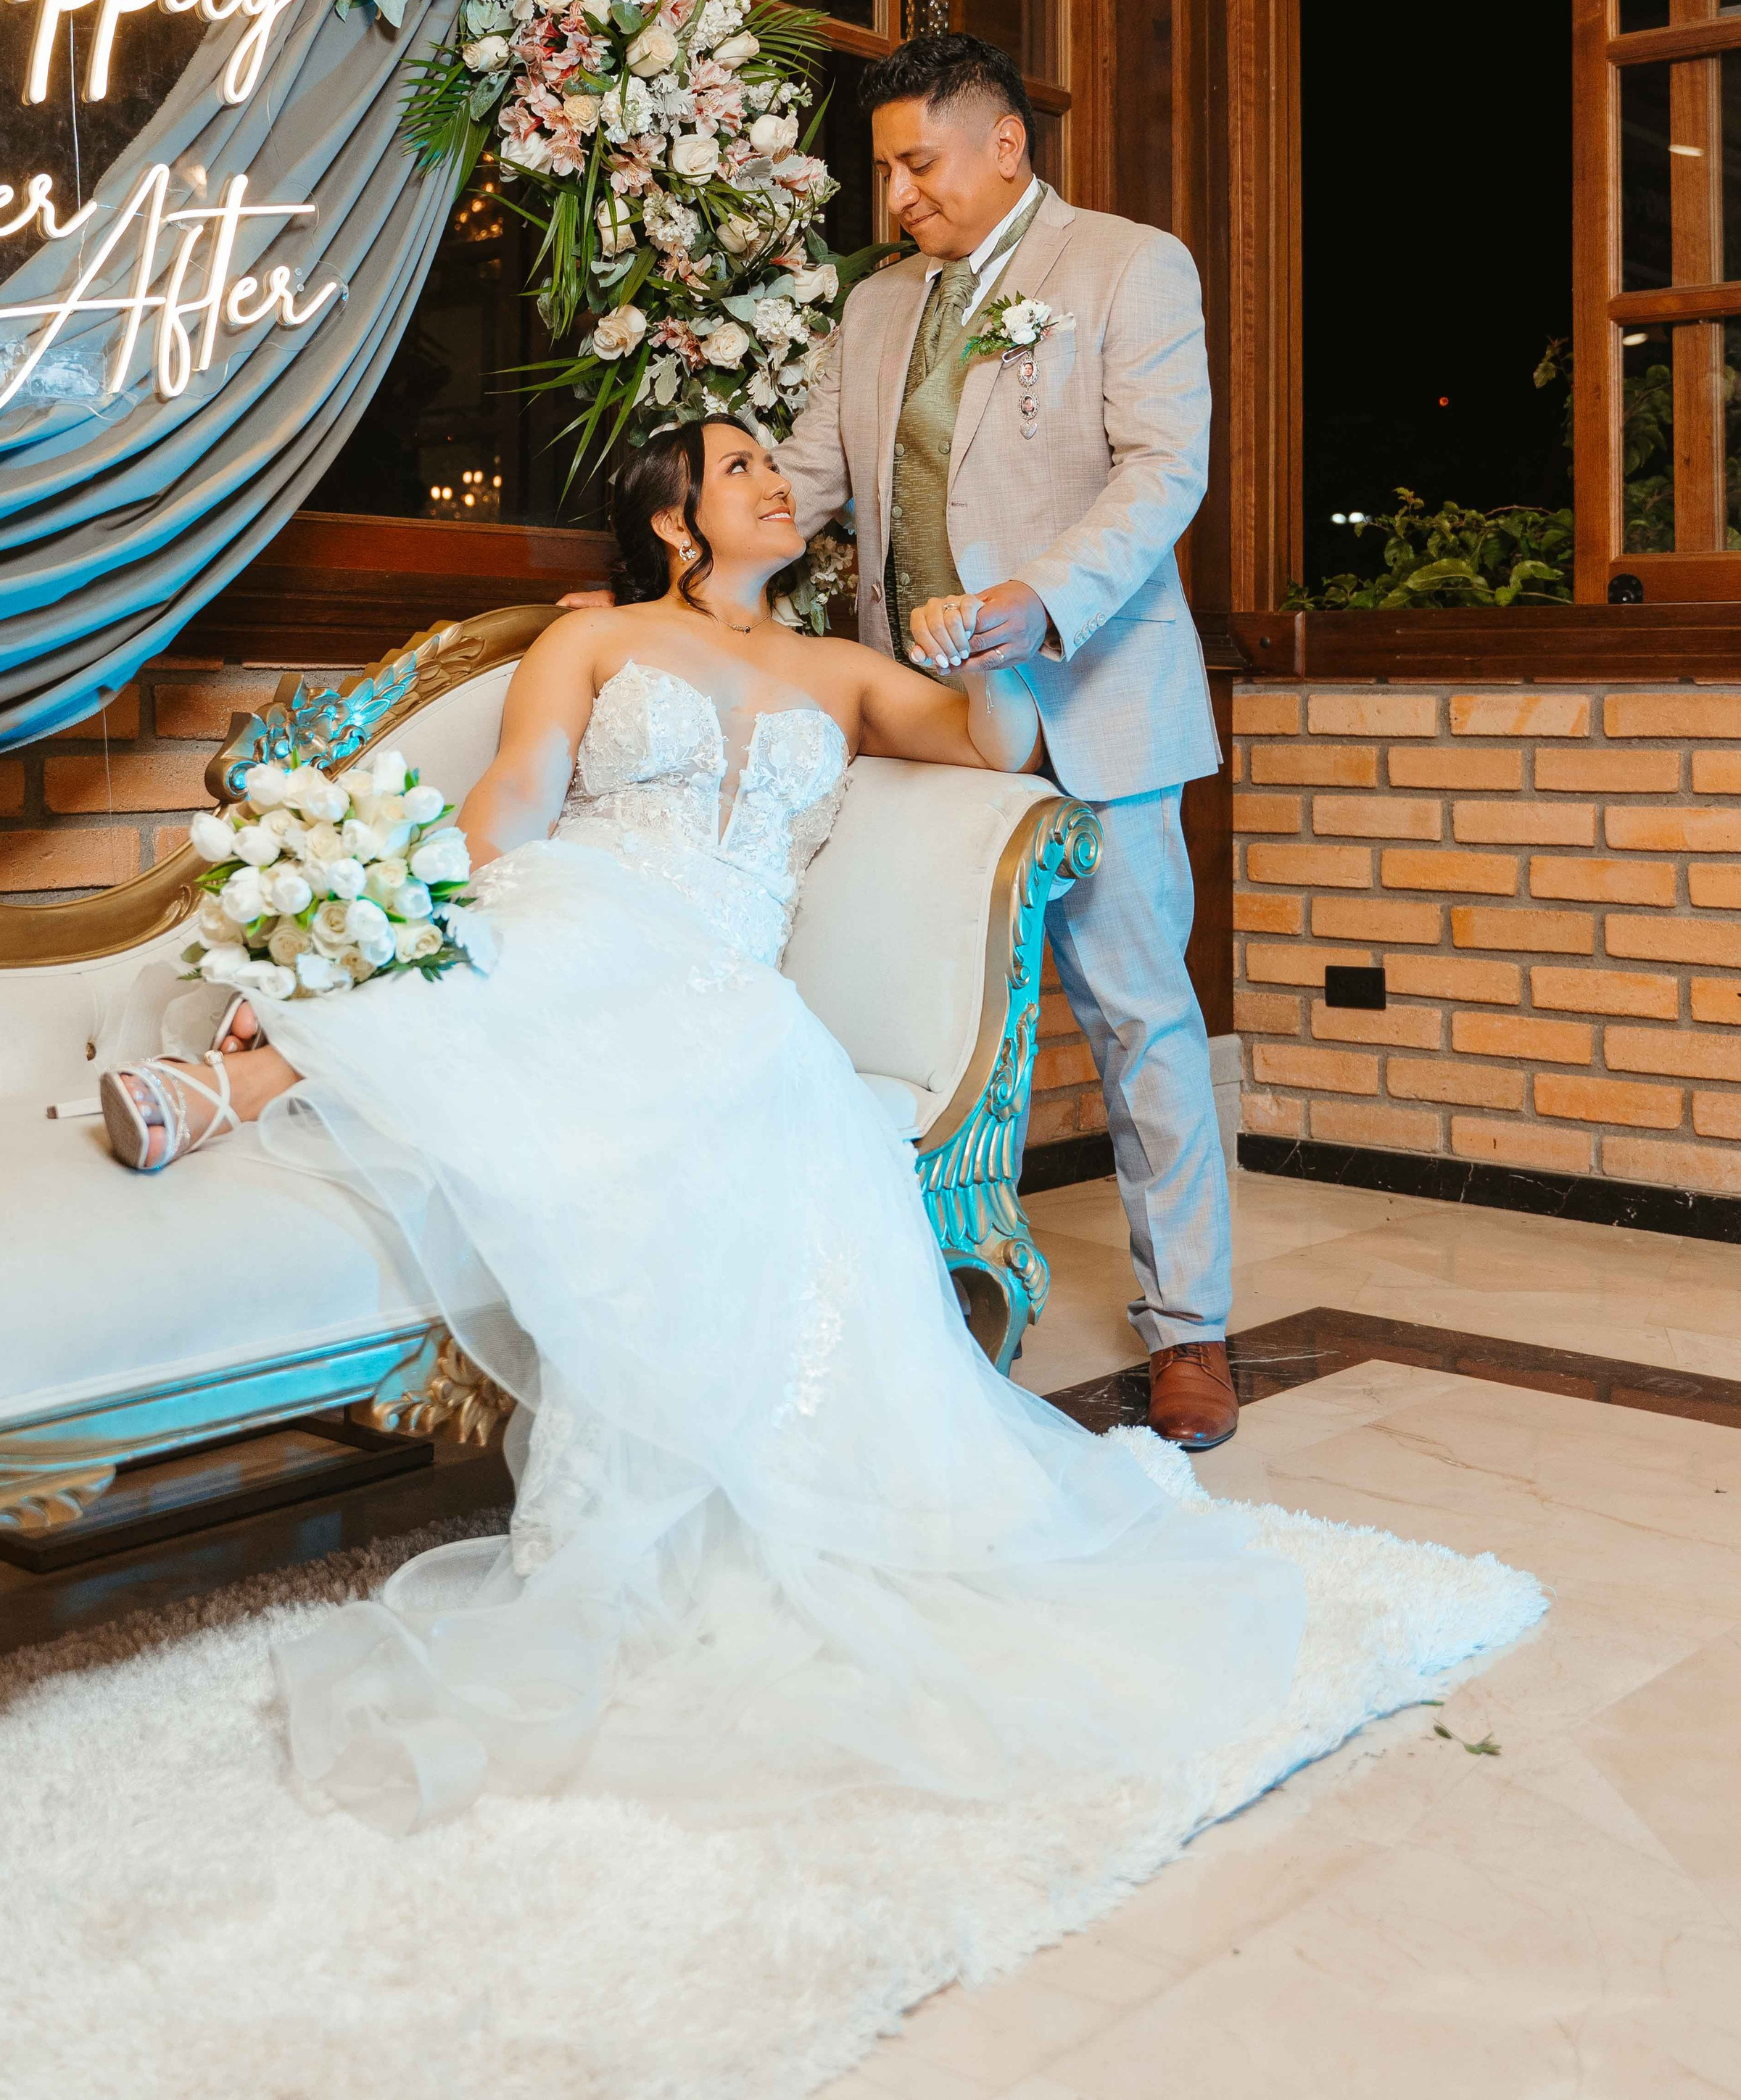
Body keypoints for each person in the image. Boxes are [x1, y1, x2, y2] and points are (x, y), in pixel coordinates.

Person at [89, 416, 1529, 1845]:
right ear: (673, 522)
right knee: (523, 956)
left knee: (718, 1050)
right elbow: (517, 796)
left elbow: (980, 744)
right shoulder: (589, 644)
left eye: (774, 466)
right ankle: (228, 1081)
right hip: (581, 905)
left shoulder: (837, 673)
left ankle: (232, 1086)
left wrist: (1001, 638)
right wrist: (391, 919)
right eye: (741, 471)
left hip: (717, 977)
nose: (778, 483)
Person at [772, 34, 1239, 1450]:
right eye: (883, 172)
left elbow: (1166, 468)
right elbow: (803, 478)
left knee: (1135, 1012)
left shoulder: (1124, 264)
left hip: (1084, 699)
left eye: (917, 165)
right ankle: (903, 1301)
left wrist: (1034, 601)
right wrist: (670, 577)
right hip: (916, 727)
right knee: (897, 1010)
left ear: (1004, 146)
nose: (898, 197)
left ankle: (1190, 1331)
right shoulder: (871, 311)